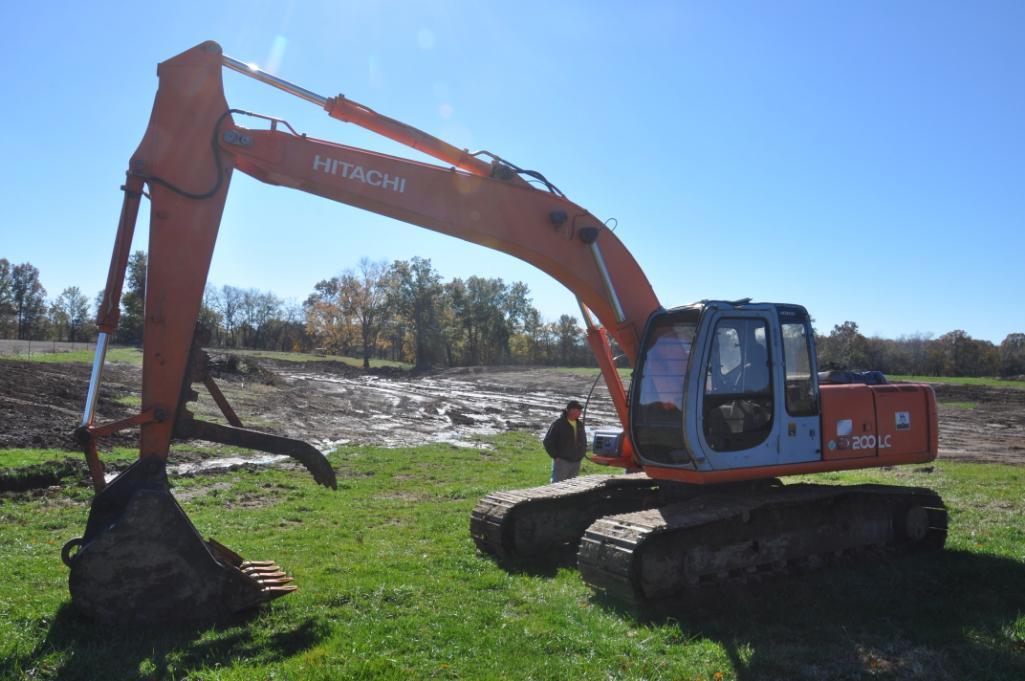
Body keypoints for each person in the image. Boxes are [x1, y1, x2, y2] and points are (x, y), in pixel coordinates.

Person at [543, 400, 587, 483]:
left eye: (580, 410)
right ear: (571, 410)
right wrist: (556, 456)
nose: (580, 412)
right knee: (557, 485)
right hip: (562, 462)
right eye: (578, 410)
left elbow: (583, 440)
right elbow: (547, 441)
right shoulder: (558, 424)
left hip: (576, 461)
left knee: (572, 486)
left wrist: (582, 453)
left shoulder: (580, 425)